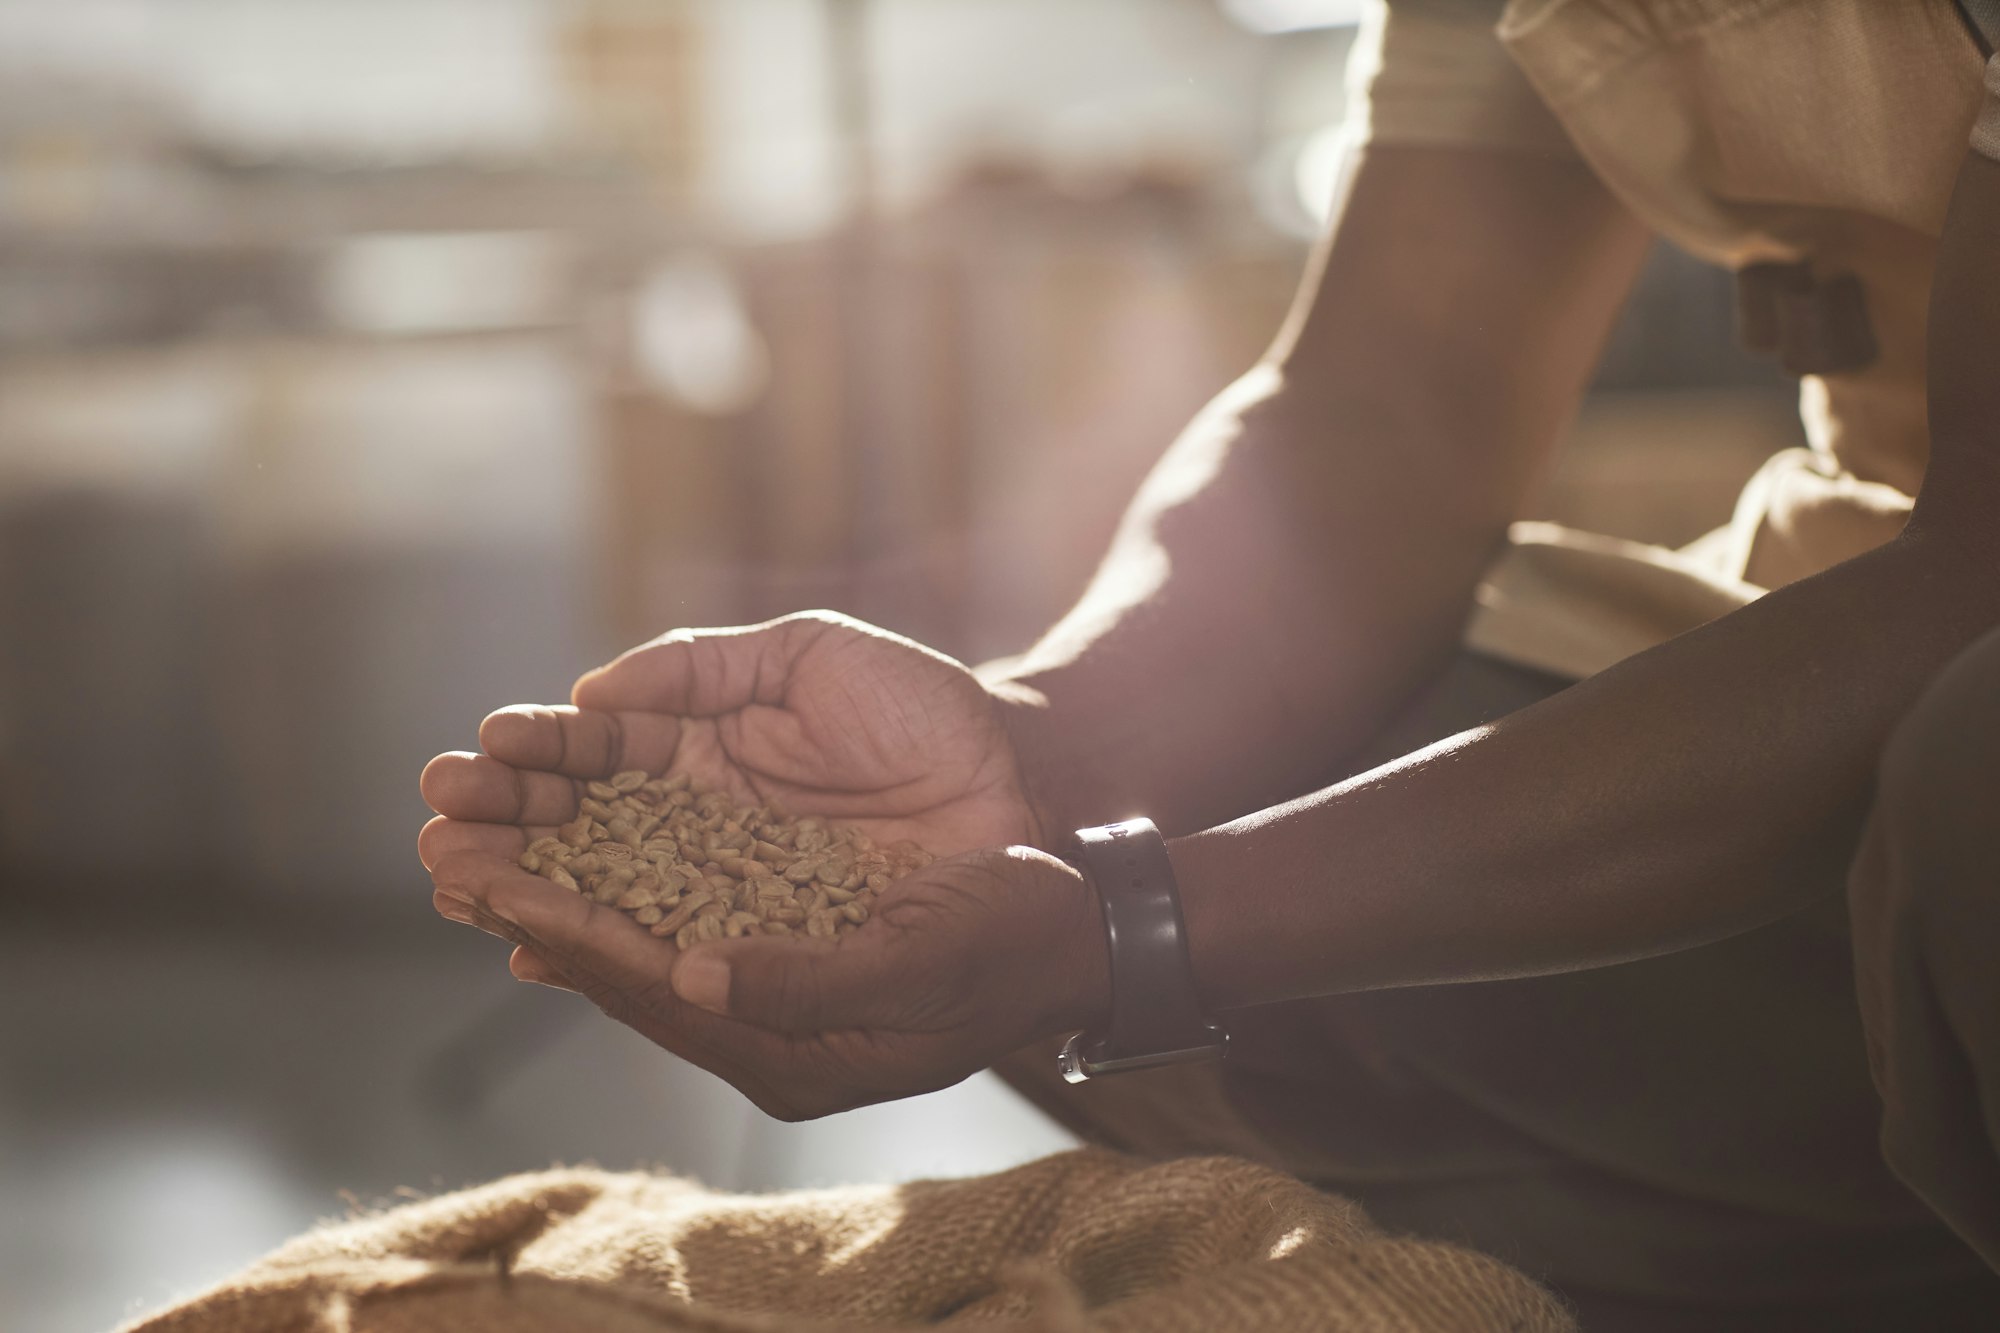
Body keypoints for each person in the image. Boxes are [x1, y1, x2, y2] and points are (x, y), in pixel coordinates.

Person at [420, 2, 2000, 1327]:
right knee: (1202, 805)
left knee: (1969, 779)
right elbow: (1391, 403)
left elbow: (1971, 580)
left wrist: (1140, 925)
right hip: (1849, 596)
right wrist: (1041, 751)